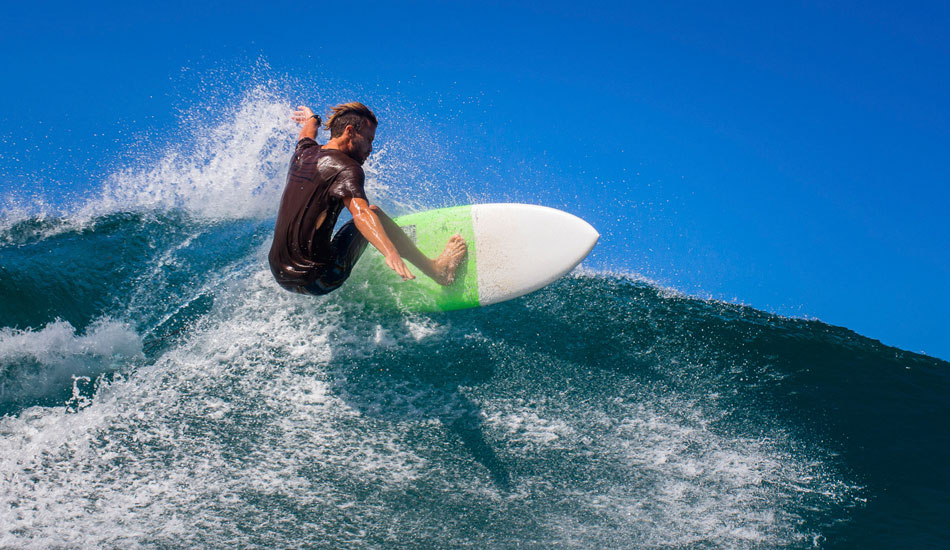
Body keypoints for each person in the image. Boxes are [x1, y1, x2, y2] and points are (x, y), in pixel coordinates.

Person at [268, 101, 467, 295]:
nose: (370, 149)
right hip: (319, 279)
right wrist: (390, 251)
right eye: (369, 140)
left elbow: (306, 134)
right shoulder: (347, 167)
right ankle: (437, 271)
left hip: (280, 274)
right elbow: (361, 212)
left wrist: (312, 119)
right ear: (349, 131)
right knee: (374, 214)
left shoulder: (303, 153)